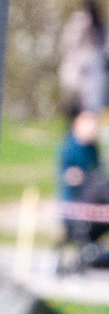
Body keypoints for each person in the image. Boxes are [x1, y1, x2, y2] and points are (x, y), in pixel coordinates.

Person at [58, 109, 109, 271]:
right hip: (76, 206)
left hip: (96, 204)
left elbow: (99, 173)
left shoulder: (92, 148)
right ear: (77, 124)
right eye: (89, 122)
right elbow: (68, 174)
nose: (93, 127)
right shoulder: (70, 146)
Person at [59, 1, 108, 122]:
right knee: (80, 123)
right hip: (79, 90)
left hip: (92, 92)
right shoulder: (79, 23)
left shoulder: (100, 37)